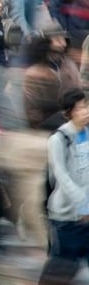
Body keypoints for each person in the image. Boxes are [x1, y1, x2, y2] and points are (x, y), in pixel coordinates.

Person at [46, 89, 89, 268]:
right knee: (62, 268)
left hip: (85, 215)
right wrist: (83, 205)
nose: (86, 111)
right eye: (80, 108)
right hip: (67, 217)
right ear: (69, 112)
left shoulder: (87, 133)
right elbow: (61, 176)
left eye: (86, 106)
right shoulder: (58, 139)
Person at [25, 30, 80, 130]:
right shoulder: (34, 73)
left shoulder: (69, 65)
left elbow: (77, 92)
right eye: (58, 40)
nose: (63, 43)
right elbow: (36, 110)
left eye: (63, 39)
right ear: (46, 43)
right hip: (44, 120)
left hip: (68, 114)